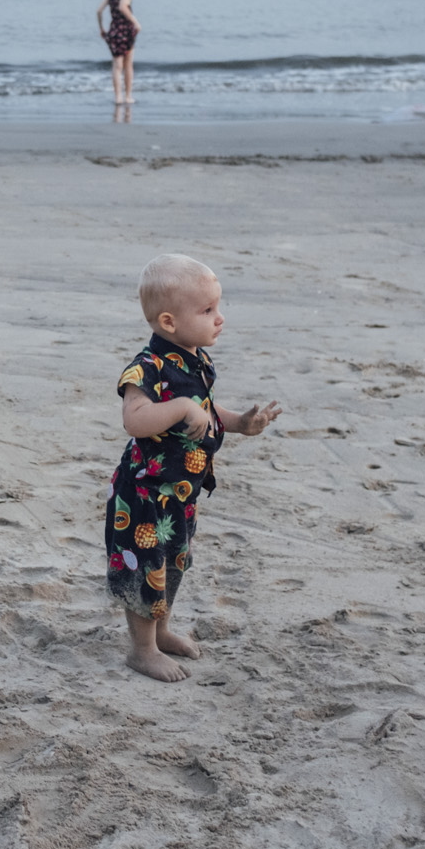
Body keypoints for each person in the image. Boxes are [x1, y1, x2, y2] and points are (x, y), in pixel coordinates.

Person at [106, 255, 280, 682]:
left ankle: (161, 632)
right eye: (207, 311)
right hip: (145, 494)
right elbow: (135, 419)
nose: (219, 319)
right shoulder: (146, 368)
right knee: (145, 566)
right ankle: (142, 650)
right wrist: (179, 406)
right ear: (168, 321)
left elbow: (204, 407)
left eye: (217, 307)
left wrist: (239, 422)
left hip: (181, 491)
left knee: (174, 562)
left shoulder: (193, 358)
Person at [96, 0, 140, 106]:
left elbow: (99, 11)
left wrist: (102, 28)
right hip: (126, 31)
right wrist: (135, 22)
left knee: (116, 66)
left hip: (114, 31)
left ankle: (117, 97)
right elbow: (122, 7)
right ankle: (128, 96)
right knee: (128, 65)